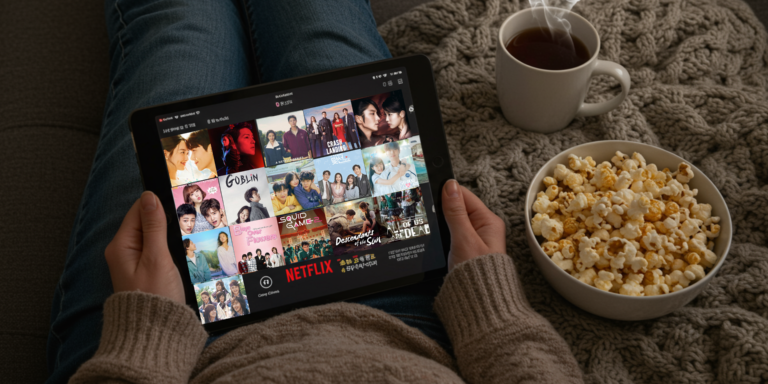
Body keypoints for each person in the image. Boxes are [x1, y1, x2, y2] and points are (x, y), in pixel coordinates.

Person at [54, 3, 581, 381]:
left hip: (177, 340)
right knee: (321, 19)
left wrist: (146, 338)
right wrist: (489, 304)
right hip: (410, 315)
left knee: (181, 26)